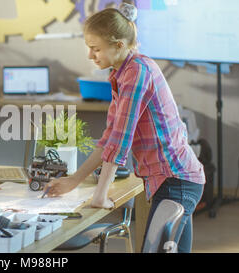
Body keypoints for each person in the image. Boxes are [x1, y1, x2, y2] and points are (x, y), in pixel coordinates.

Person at [46, 3, 205, 253]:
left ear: (119, 45)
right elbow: (110, 136)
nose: (90, 55)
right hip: (175, 179)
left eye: (95, 48)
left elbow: (121, 140)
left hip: (177, 181)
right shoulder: (121, 74)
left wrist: (100, 194)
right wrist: (75, 180)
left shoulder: (137, 73)